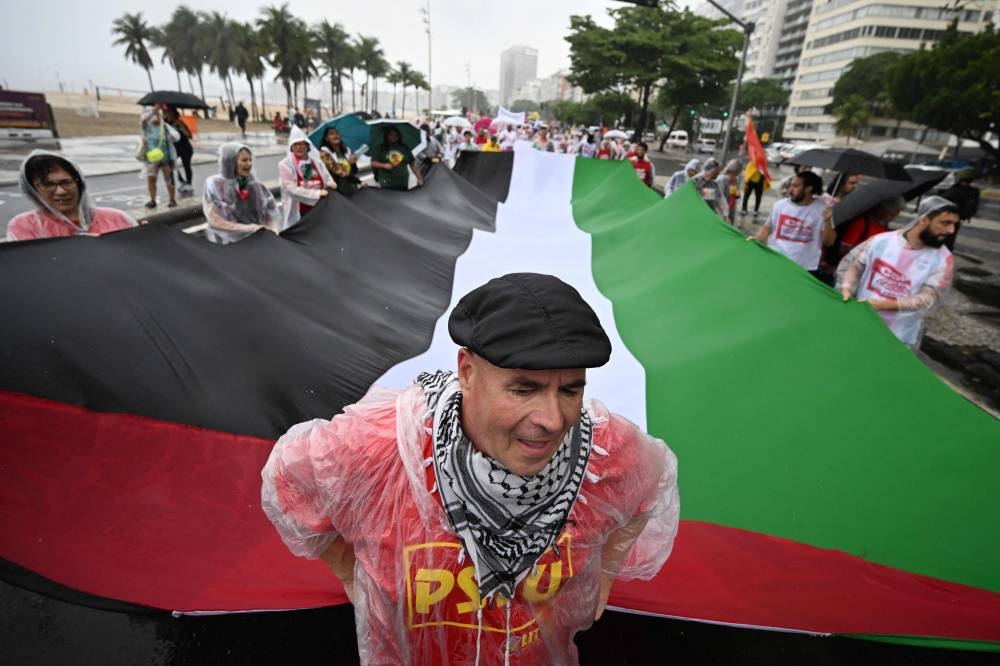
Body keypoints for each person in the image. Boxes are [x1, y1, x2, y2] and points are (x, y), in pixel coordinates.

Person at [261, 272, 680, 665]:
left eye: (570, 390)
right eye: (524, 389)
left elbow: (652, 485)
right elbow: (288, 479)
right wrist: (351, 570)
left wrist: (603, 575)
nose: (553, 419)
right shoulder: (381, 447)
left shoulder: (606, 454)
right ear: (467, 371)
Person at [836, 196, 957, 349]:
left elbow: (929, 298)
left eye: (954, 224)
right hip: (859, 324)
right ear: (924, 220)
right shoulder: (881, 241)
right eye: (945, 223)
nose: (951, 230)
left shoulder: (943, 259)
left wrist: (883, 305)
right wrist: (846, 288)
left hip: (898, 338)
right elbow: (854, 267)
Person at [6, 150, 137, 241]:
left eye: (66, 182)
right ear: (33, 191)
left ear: (78, 183)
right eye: (48, 184)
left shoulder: (119, 219)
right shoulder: (24, 227)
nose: (60, 191)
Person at [751, 170, 835, 277]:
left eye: (795, 186)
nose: (790, 190)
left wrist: (827, 221)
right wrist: (754, 241)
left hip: (803, 269)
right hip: (774, 261)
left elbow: (829, 242)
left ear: (809, 189)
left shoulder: (822, 210)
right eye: (791, 185)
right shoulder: (779, 205)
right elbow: (767, 228)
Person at [202, 142, 281, 244]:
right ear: (230, 161)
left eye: (250, 160)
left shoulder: (255, 185)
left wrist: (271, 230)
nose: (249, 164)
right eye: (244, 160)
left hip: (257, 241)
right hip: (227, 244)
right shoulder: (214, 185)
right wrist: (249, 228)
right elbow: (215, 220)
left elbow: (271, 212)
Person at [277, 126, 336, 231]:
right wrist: (316, 194)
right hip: (300, 214)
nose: (298, 147)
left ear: (307, 146)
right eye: (295, 144)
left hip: (320, 210)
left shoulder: (316, 162)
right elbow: (292, 189)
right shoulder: (285, 165)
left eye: (301, 144)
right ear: (291, 147)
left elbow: (327, 178)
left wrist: (331, 183)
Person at [140, 106, 178, 209]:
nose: (155, 117)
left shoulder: (164, 126)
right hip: (152, 157)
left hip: (166, 156)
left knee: (169, 178)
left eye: (157, 114)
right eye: (153, 115)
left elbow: (175, 137)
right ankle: (152, 200)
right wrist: (153, 111)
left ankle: (172, 199)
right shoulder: (146, 126)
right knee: (151, 178)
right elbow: (143, 120)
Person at [371, 125, 423, 191]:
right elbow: (373, 163)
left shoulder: (404, 148)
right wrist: (384, 165)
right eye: (391, 135)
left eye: (396, 135)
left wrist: (419, 178)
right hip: (386, 181)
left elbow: (413, 164)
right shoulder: (380, 148)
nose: (394, 137)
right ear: (386, 135)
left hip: (402, 181)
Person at [318, 126, 367, 196]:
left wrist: (353, 163)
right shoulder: (324, 153)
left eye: (337, 133)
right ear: (326, 138)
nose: (336, 135)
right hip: (338, 191)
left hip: (352, 187)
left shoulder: (346, 151)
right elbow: (338, 171)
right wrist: (359, 181)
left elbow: (354, 171)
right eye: (331, 134)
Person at [939, 170, 980, 251]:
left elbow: (941, 199)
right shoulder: (975, 191)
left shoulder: (955, 189)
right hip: (959, 217)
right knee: (950, 236)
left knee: (943, 237)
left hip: (947, 216)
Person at [164, 106, 195, 197]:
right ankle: (181, 181)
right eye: (166, 113)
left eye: (169, 113)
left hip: (185, 148)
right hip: (174, 149)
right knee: (172, 167)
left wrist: (181, 128)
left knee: (186, 166)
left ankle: (189, 183)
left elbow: (189, 136)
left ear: (174, 114)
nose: (167, 115)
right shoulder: (165, 124)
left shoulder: (180, 123)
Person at [717, 159, 743, 224]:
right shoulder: (722, 179)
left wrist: (737, 194)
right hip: (723, 209)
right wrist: (724, 213)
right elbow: (720, 196)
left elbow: (736, 192)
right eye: (735, 172)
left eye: (738, 173)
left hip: (731, 207)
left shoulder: (736, 179)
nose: (736, 175)